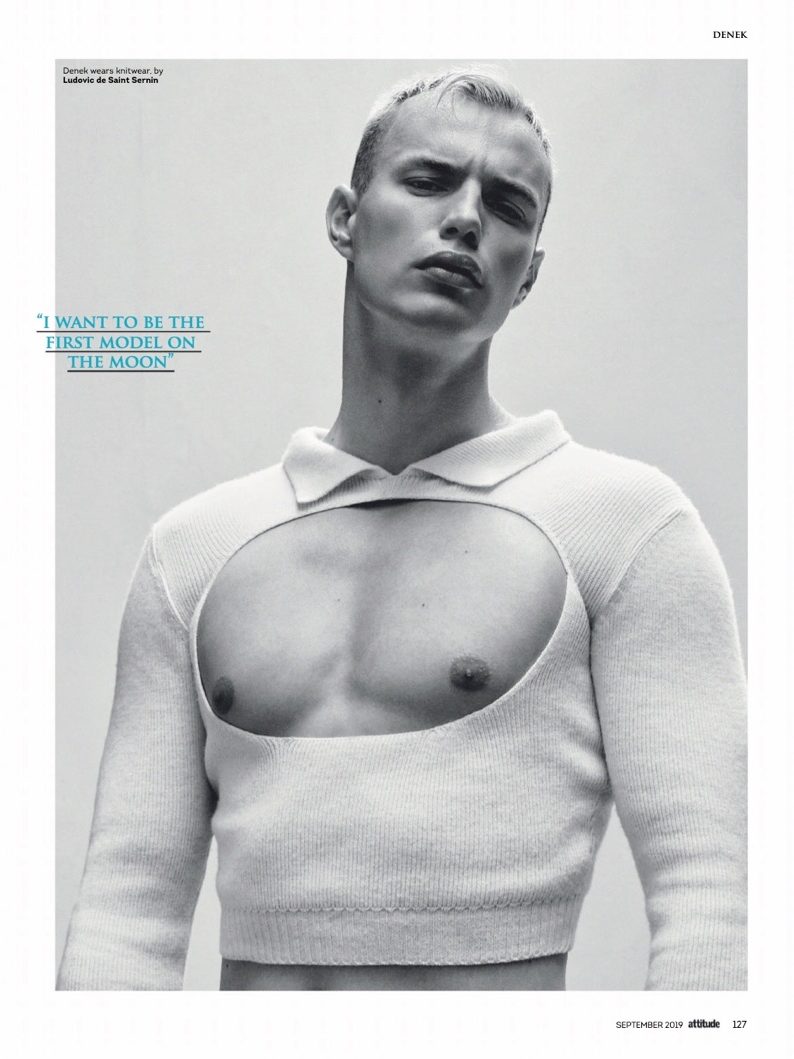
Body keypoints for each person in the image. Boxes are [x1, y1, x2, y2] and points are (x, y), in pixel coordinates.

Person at [57, 69, 746, 991]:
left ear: (528, 275)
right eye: (429, 181)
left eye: (507, 206)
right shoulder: (193, 550)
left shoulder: (625, 528)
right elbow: (126, 915)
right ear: (345, 219)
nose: (465, 219)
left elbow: (716, 903)